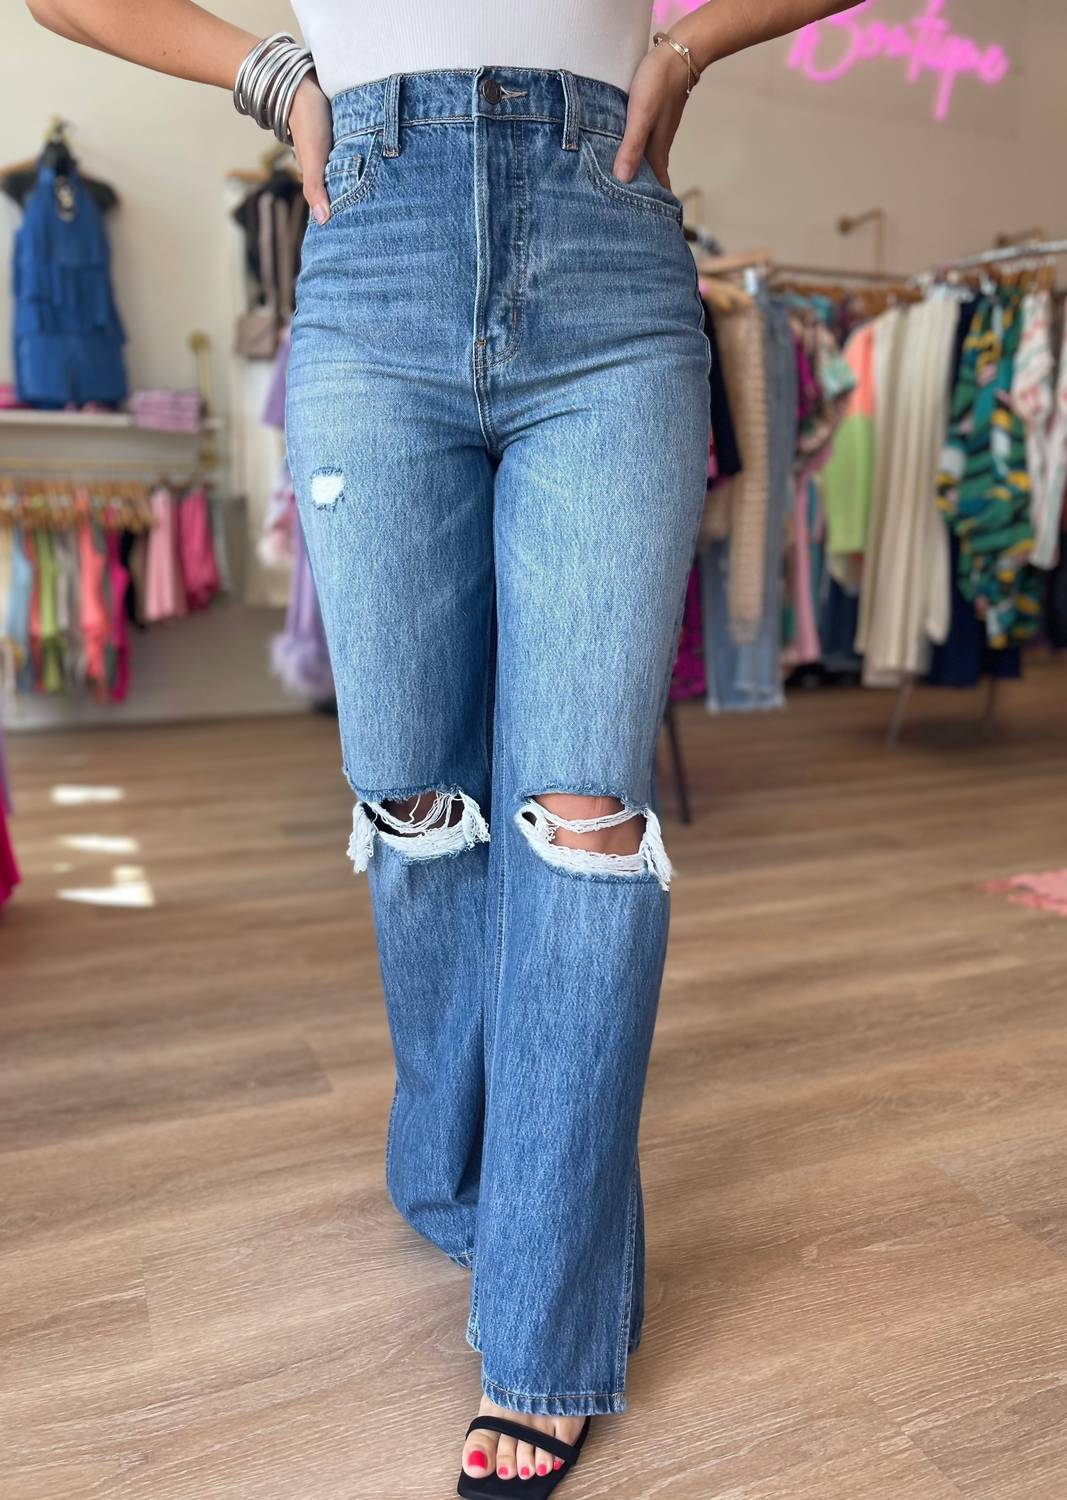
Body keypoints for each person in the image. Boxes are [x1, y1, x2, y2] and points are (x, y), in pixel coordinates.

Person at [26, 1, 855, 1492]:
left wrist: (687, 46)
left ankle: (544, 1334)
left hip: (606, 256)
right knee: (413, 798)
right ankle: (458, 1163)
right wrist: (274, 75)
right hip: (376, 254)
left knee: (584, 819)